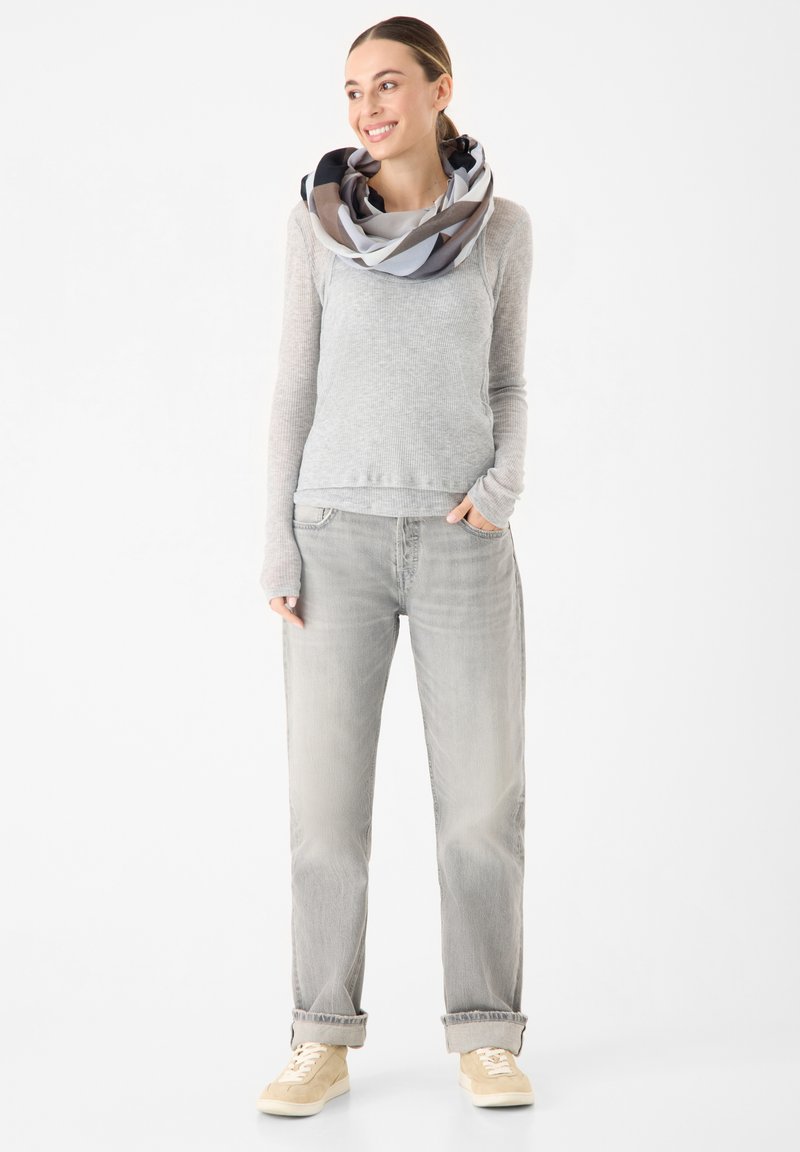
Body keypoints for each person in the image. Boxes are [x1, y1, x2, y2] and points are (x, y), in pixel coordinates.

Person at [256, 16, 535, 1116]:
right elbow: (293, 387)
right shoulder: (316, 226)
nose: (366, 107)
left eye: (386, 84)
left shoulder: (503, 228)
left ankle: (486, 1033)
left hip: (464, 542)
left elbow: (508, 381)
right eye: (351, 90)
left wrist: (501, 488)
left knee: (481, 808)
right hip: (335, 537)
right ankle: (319, 1037)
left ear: (438, 89)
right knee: (326, 813)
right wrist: (276, 541)